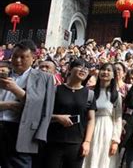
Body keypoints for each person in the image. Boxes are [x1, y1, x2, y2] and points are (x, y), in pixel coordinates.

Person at [0, 40, 55, 168]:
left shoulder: (44, 78)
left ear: (33, 58)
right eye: (15, 56)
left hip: (20, 131)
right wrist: (7, 105)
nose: (18, 60)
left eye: (23, 57)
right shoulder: (3, 74)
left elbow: (44, 108)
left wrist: (15, 89)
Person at [46, 58, 97, 168]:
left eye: (86, 68)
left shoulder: (89, 94)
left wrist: (87, 142)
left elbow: (91, 119)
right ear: (69, 68)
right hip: (53, 141)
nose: (83, 70)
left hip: (76, 143)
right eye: (79, 66)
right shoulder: (56, 90)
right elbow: (44, 113)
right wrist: (57, 117)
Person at [83, 63, 122, 168]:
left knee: (104, 161)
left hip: (107, 131)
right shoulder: (90, 92)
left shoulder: (116, 95)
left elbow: (118, 119)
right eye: (103, 69)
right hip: (90, 129)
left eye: (109, 70)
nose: (105, 72)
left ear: (113, 75)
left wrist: (115, 141)